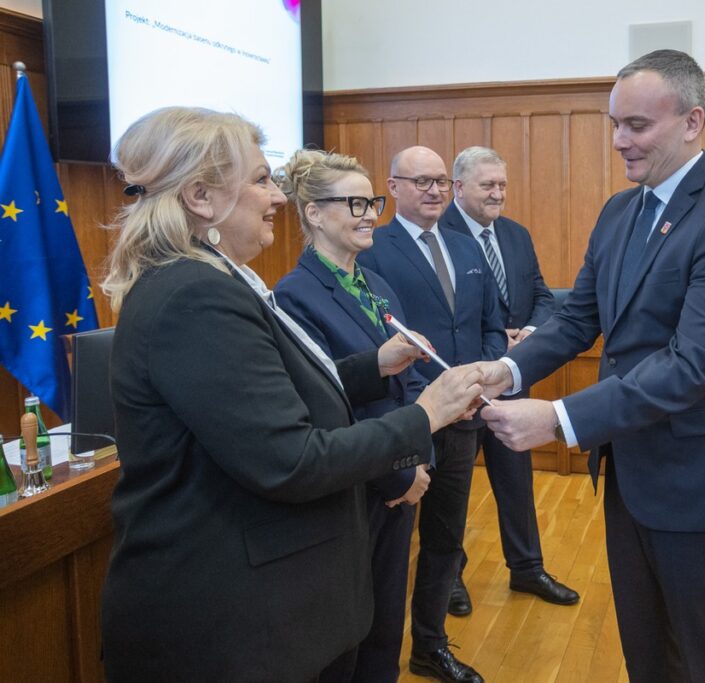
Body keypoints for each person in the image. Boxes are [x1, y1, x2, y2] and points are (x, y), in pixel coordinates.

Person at [99, 108, 483, 683]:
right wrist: (425, 416)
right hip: (228, 621)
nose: (276, 196)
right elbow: (290, 459)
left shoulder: (212, 278)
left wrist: (371, 367)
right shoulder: (194, 296)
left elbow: (274, 394)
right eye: (260, 180)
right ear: (202, 197)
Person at [475, 49, 705, 682]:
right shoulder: (620, 210)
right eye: (614, 124)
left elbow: (691, 365)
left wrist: (557, 418)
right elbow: (577, 318)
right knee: (646, 651)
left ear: (692, 122)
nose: (619, 141)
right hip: (631, 473)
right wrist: (504, 370)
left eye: (636, 125)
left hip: (698, 485)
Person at [272, 149, 430, 683]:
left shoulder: (377, 286)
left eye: (373, 202)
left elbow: (408, 384)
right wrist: (398, 471)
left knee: (387, 616)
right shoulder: (294, 295)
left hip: (400, 471)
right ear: (314, 213)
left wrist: (414, 462)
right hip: (353, 484)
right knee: (349, 628)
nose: (371, 214)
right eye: (356, 202)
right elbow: (317, 398)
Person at [359, 145, 505, 683]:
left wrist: (480, 378)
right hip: (408, 418)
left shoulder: (468, 245)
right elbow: (380, 338)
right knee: (392, 547)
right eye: (420, 181)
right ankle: (374, 656)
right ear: (393, 187)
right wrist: (432, 398)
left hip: (464, 416)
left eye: (441, 181)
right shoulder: (374, 250)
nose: (434, 190)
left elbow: (491, 323)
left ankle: (429, 645)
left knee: (445, 537)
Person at [440, 145, 578, 615]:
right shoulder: (438, 235)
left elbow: (541, 293)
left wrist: (532, 335)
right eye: (488, 186)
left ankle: (527, 568)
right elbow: (447, 313)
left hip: (515, 378)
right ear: (459, 188)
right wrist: (499, 338)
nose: (499, 193)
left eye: (502, 184)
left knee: (516, 480)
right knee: (453, 489)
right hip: (465, 382)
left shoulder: (515, 234)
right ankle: (449, 577)